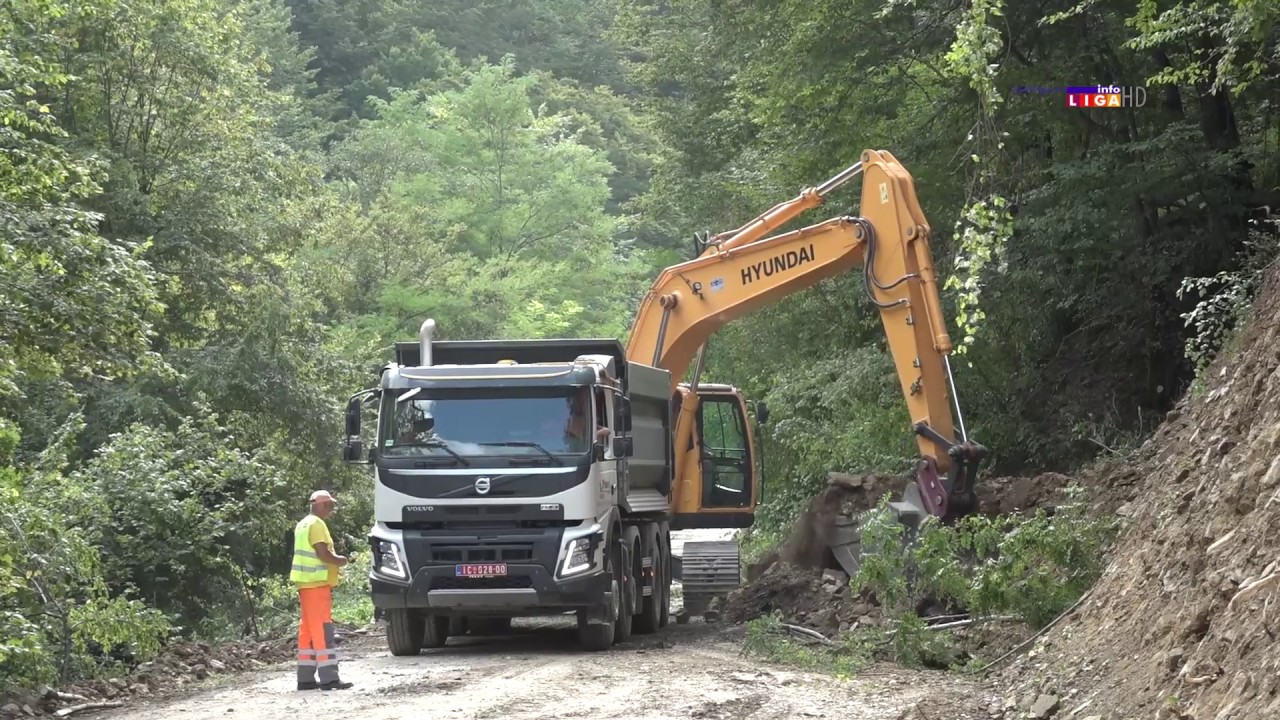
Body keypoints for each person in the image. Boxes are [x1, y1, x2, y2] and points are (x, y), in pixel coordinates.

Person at [290, 489, 353, 691]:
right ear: (324, 505)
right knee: (322, 630)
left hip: (305, 585)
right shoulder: (317, 524)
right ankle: (330, 678)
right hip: (317, 585)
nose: (332, 511)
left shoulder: (302, 524)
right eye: (331, 506)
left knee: (307, 630)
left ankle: (306, 678)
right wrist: (341, 560)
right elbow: (323, 554)